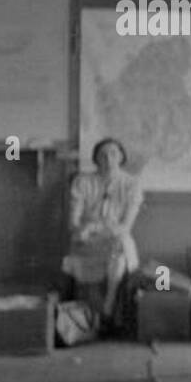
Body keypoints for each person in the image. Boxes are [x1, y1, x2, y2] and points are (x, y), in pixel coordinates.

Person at [63, 137, 143, 331]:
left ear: (122, 157)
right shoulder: (83, 182)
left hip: (115, 238)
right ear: (95, 159)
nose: (108, 159)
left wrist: (100, 228)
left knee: (119, 251)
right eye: (103, 155)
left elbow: (125, 226)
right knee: (83, 245)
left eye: (114, 153)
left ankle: (107, 306)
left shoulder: (131, 184)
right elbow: (73, 223)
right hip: (87, 238)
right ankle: (85, 317)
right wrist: (87, 229)